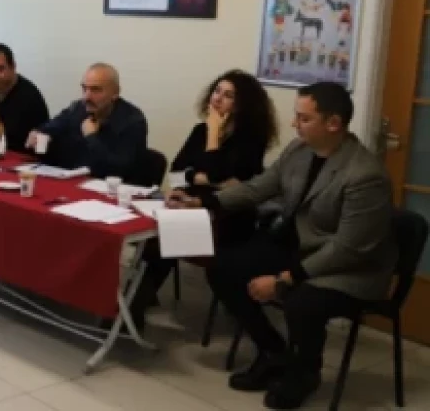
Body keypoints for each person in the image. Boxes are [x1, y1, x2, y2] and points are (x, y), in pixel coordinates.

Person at [169, 82, 395, 410]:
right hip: (301, 248)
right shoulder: (299, 150)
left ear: (333, 123)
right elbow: (258, 188)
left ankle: (304, 373)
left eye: (304, 118)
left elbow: (348, 249)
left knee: (302, 301)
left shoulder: (364, 175)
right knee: (222, 268)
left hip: (349, 269)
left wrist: (284, 279)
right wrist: (206, 204)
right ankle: (273, 350)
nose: (294, 123)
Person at [129, 69, 278, 328]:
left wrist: (212, 138)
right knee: (151, 235)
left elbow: (222, 178)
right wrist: (198, 179)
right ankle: (136, 302)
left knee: (168, 236)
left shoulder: (251, 140)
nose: (217, 98)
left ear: (242, 105)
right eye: (217, 91)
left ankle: (133, 308)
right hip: (191, 205)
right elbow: (177, 172)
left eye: (228, 95)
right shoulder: (199, 130)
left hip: (229, 217)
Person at [27, 63, 150, 185]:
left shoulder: (133, 121)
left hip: (114, 189)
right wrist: (39, 133)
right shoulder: (78, 108)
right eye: (84, 89)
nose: (86, 97)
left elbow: (118, 169)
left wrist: (91, 137)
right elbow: (53, 126)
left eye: (95, 90)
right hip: (76, 182)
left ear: (115, 93)